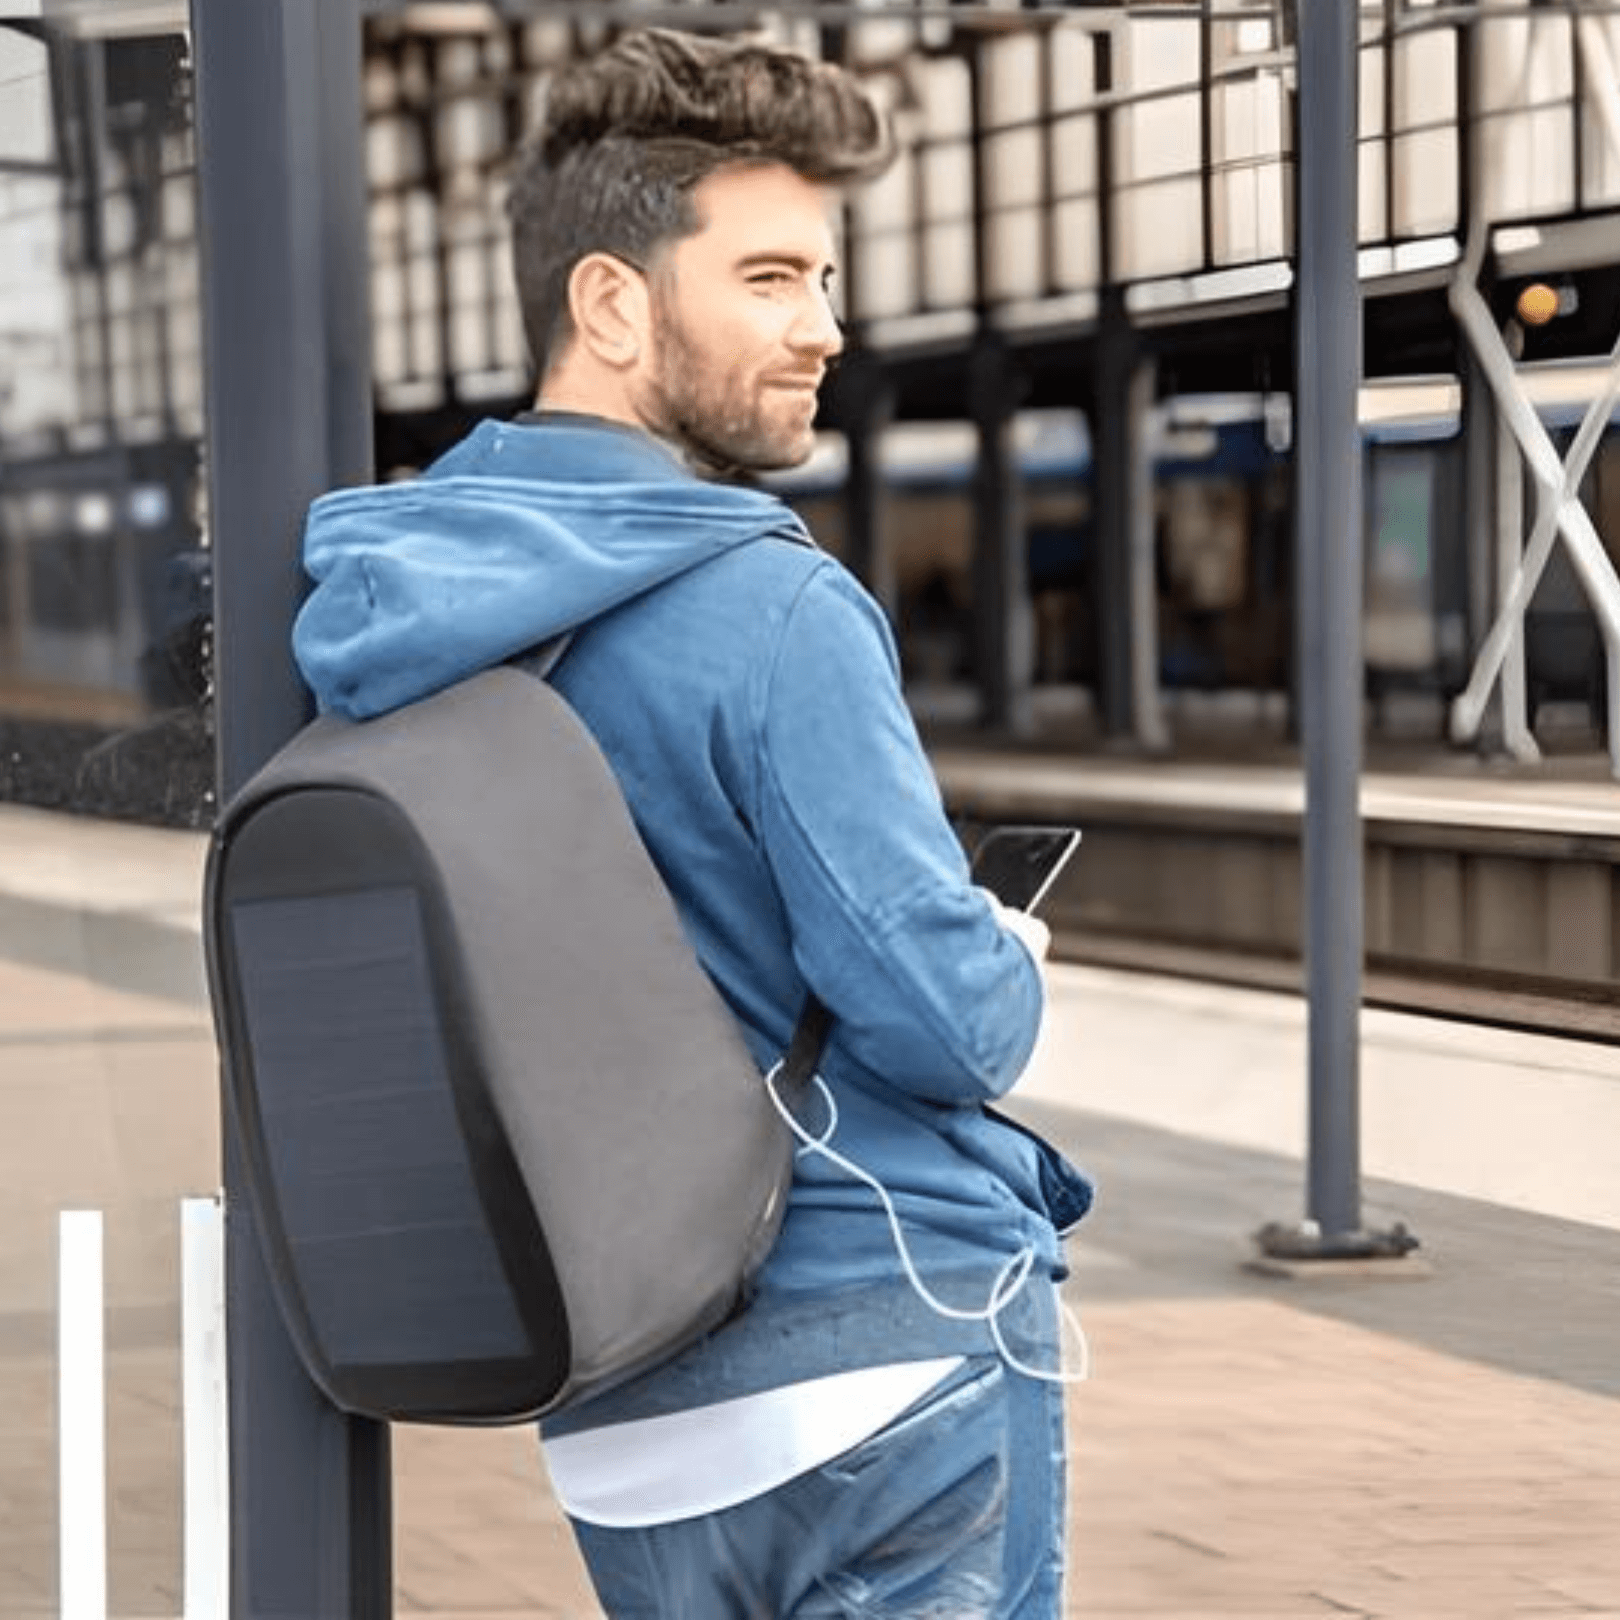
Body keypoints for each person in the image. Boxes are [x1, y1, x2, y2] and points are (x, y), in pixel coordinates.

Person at [292, 27, 1092, 1618]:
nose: (828, 332)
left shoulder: (383, 611)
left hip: (619, 1395)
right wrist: (1007, 954)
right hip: (883, 1338)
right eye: (775, 278)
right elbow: (943, 1026)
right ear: (612, 302)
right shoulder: (771, 602)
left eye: (827, 282)